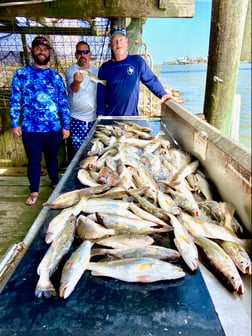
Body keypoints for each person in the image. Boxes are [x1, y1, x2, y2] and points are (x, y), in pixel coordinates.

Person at [9, 36, 70, 205]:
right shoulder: (21, 74)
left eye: (45, 48)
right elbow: (15, 99)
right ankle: (34, 191)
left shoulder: (56, 77)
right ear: (32, 50)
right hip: (31, 129)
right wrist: (15, 123)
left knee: (52, 159)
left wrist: (66, 126)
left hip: (53, 129)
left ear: (49, 52)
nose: (41, 51)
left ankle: (55, 183)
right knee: (34, 161)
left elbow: (63, 103)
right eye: (38, 47)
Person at [96, 27, 177, 117]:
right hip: (111, 119)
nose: (118, 44)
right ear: (110, 45)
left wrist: (163, 94)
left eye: (121, 40)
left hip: (132, 119)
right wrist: (100, 116)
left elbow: (150, 79)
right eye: (115, 41)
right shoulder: (104, 68)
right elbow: (100, 95)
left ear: (127, 42)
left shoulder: (137, 61)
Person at [65, 41, 98, 155]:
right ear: (75, 55)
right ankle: (78, 172)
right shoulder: (71, 70)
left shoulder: (96, 71)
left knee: (93, 152)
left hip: (94, 119)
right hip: (77, 119)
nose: (82, 55)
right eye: (79, 52)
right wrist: (77, 82)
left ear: (90, 54)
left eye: (85, 52)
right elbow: (74, 88)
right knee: (79, 153)